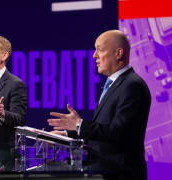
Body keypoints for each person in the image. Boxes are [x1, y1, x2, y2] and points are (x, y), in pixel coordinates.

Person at [48, 30, 151, 180]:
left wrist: (79, 125)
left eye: (100, 49)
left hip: (121, 174)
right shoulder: (114, 84)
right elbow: (103, 131)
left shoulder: (132, 85)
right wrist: (67, 135)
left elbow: (119, 132)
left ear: (119, 53)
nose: (94, 55)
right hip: (104, 172)